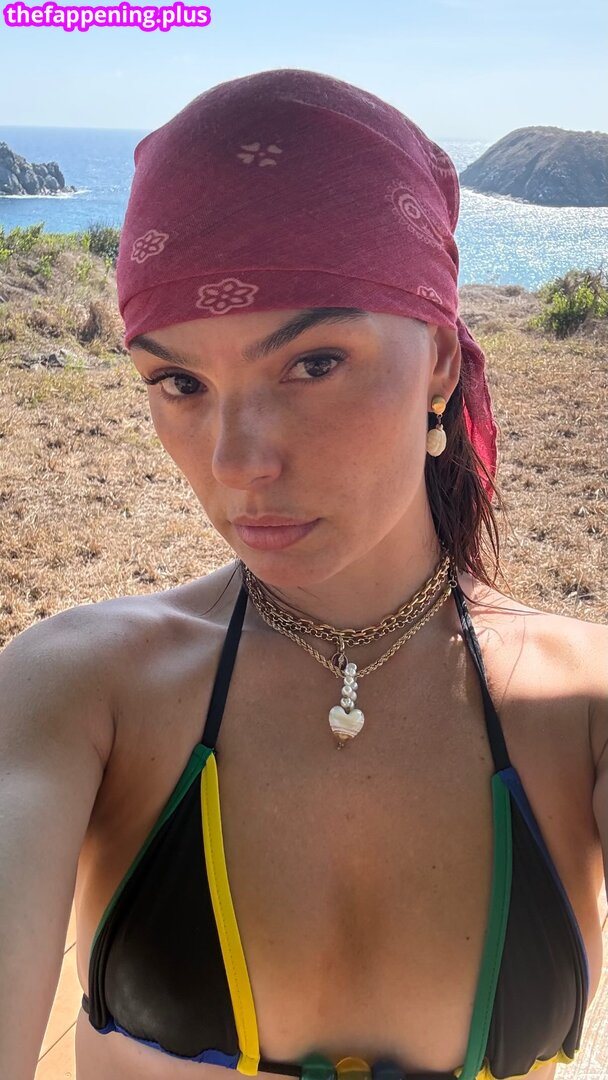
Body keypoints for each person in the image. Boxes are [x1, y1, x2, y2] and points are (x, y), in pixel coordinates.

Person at [1, 68, 607, 1080]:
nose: (236, 460)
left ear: (441, 363)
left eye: (314, 363)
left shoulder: (580, 705)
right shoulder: (74, 692)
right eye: (179, 381)